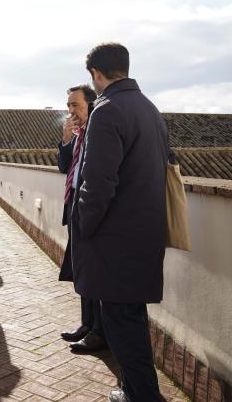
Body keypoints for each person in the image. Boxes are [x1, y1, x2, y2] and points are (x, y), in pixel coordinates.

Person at [72, 43, 167, 402]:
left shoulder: (107, 110)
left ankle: (143, 396)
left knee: (122, 325)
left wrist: (83, 225)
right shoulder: (149, 108)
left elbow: (98, 182)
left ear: (96, 74)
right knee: (132, 319)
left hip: (115, 239)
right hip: (145, 233)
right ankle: (132, 389)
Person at [56, 84, 106, 353]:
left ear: (90, 104)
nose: (70, 110)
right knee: (81, 269)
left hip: (88, 207)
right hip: (73, 204)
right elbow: (64, 167)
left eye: (75, 104)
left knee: (93, 271)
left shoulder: (96, 132)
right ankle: (87, 324)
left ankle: (99, 331)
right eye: (68, 105)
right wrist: (66, 140)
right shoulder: (78, 133)